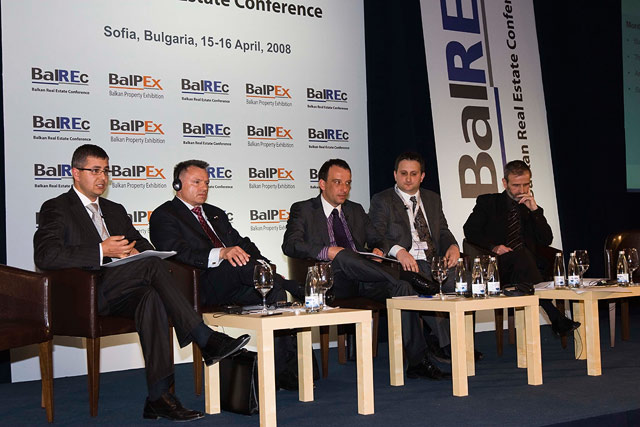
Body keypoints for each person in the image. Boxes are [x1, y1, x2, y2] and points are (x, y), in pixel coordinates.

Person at [33, 144, 250, 422]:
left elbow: (143, 243)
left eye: (106, 171)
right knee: (151, 266)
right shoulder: (57, 208)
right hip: (87, 293)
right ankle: (204, 337)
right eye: (95, 171)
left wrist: (137, 251)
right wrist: (101, 250)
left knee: (152, 297)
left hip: (124, 288)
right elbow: (46, 255)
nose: (102, 177)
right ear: (76, 173)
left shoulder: (114, 209)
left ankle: (159, 397)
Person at [282, 158, 449, 380]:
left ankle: (418, 362)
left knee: (403, 289)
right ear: (322, 184)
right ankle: (405, 275)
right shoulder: (303, 209)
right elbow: (290, 244)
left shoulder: (355, 209)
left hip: (364, 278)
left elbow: (377, 238)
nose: (344, 189)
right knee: (343, 254)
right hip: (332, 283)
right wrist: (328, 251)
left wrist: (380, 249)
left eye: (348, 183)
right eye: (337, 182)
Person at [149, 159, 302, 389]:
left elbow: (242, 244)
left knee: (274, 292)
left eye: (207, 183)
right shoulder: (165, 215)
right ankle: (292, 285)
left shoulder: (215, 213)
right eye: (197, 182)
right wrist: (220, 253)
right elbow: (176, 251)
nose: (204, 187)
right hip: (199, 284)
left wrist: (264, 264)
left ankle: (279, 373)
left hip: (235, 281)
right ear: (177, 185)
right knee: (236, 263)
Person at [463, 160, 580, 336]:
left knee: (524, 256)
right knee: (520, 255)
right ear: (505, 183)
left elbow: (546, 239)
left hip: (528, 267)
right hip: (499, 266)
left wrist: (535, 211)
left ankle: (556, 318)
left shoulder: (530, 208)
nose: (522, 190)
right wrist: (494, 247)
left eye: (526, 184)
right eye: (516, 185)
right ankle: (555, 316)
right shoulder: (488, 202)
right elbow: (470, 231)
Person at [369, 152, 461, 360]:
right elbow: (376, 235)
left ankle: (459, 339)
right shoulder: (382, 200)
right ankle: (449, 344)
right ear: (395, 175)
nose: (408, 179)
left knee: (465, 282)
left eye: (413, 174)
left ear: (422, 176)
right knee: (424, 280)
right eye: (403, 174)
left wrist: (453, 246)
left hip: (434, 260)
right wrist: (398, 250)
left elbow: (442, 230)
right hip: (404, 264)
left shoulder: (432, 199)